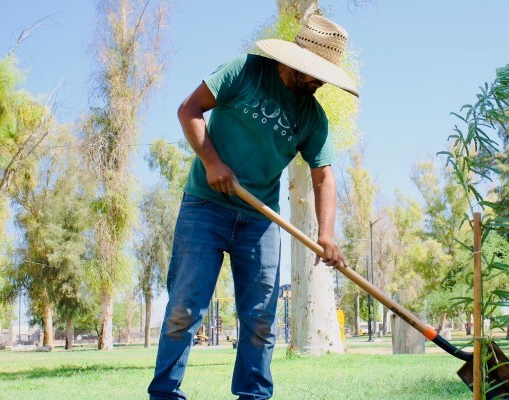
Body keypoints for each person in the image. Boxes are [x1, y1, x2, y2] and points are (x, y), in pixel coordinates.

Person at [148, 15, 356, 399]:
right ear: (293, 63)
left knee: (261, 319)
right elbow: (189, 109)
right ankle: (164, 394)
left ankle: (254, 395)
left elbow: (324, 176)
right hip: (204, 208)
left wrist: (326, 235)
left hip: (259, 221)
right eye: (313, 76)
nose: (319, 84)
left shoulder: (312, 115)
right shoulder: (244, 71)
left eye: (324, 77)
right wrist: (212, 162)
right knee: (184, 310)